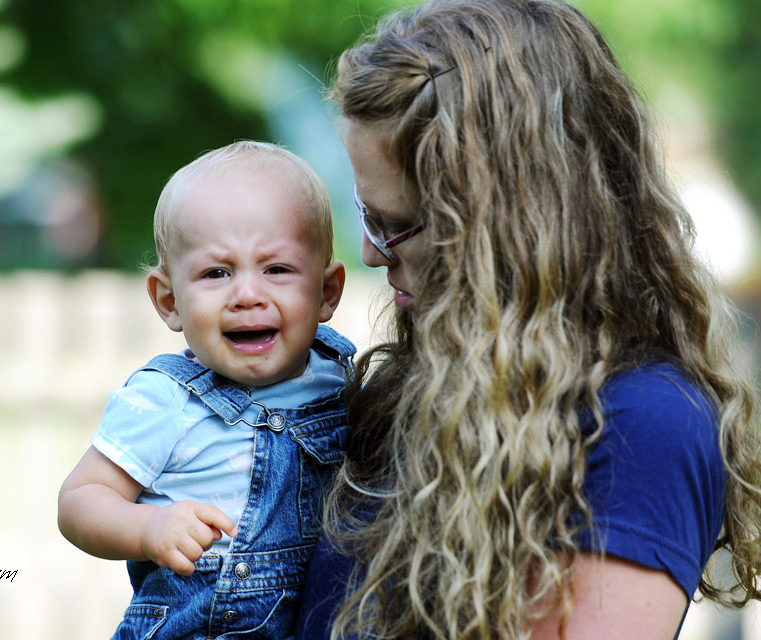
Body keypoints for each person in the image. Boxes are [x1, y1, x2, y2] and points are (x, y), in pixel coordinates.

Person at [295, 0, 761, 638]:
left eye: (396, 224)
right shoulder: (406, 388)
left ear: (504, 227)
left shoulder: (641, 425)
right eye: (365, 213)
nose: (371, 251)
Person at [58, 141, 354, 639]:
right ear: (170, 301)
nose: (247, 295)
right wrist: (148, 530)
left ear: (326, 292)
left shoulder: (337, 379)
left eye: (276, 269)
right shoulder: (166, 401)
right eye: (217, 273)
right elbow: (79, 500)